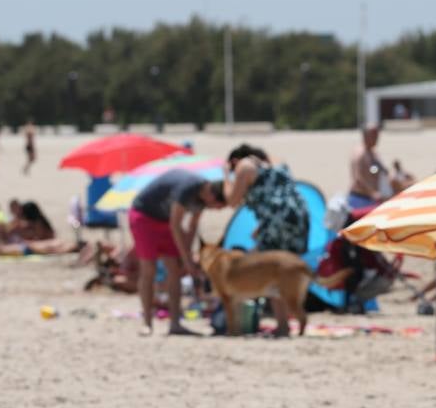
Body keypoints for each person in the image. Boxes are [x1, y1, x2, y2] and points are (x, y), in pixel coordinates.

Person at [128, 168, 227, 336]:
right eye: (217, 206)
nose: (215, 210)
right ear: (211, 195)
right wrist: (186, 259)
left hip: (164, 221)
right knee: (148, 270)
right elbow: (176, 224)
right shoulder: (188, 188)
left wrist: (186, 256)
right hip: (144, 217)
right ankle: (147, 323)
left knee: (175, 270)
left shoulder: (201, 200)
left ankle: (175, 323)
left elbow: (192, 227)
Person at [225, 143, 313, 330]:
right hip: (299, 218)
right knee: (284, 270)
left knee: (271, 272)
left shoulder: (244, 166)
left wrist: (226, 176)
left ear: (235, 161)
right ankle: (288, 322)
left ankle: (283, 324)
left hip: (277, 224)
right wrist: (261, 226)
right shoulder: (275, 161)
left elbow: (232, 201)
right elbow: (277, 195)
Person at [348, 125, 388, 208]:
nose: (377, 138)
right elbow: (358, 178)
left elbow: (383, 171)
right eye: (373, 135)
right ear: (365, 136)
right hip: (360, 197)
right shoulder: (360, 154)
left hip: (372, 198)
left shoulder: (373, 153)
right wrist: (372, 193)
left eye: (377, 134)